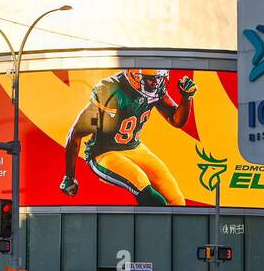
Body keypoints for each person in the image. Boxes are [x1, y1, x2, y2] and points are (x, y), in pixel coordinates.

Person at [60, 69, 197, 206]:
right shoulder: (112, 91)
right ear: (134, 76)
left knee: (177, 200)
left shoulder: (155, 87)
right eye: (151, 79)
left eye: (159, 78)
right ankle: (153, 226)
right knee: (142, 184)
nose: (156, 83)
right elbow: (76, 133)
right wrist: (69, 176)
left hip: (134, 146)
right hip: (104, 152)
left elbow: (176, 120)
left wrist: (186, 98)